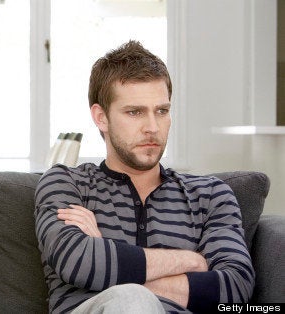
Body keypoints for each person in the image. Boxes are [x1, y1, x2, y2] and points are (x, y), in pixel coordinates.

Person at [34, 40, 254, 313]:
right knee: (131, 301)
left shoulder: (210, 195)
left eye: (161, 111)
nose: (152, 127)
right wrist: (193, 261)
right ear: (101, 117)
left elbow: (234, 288)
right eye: (135, 112)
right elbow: (77, 261)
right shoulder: (67, 183)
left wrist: (105, 254)